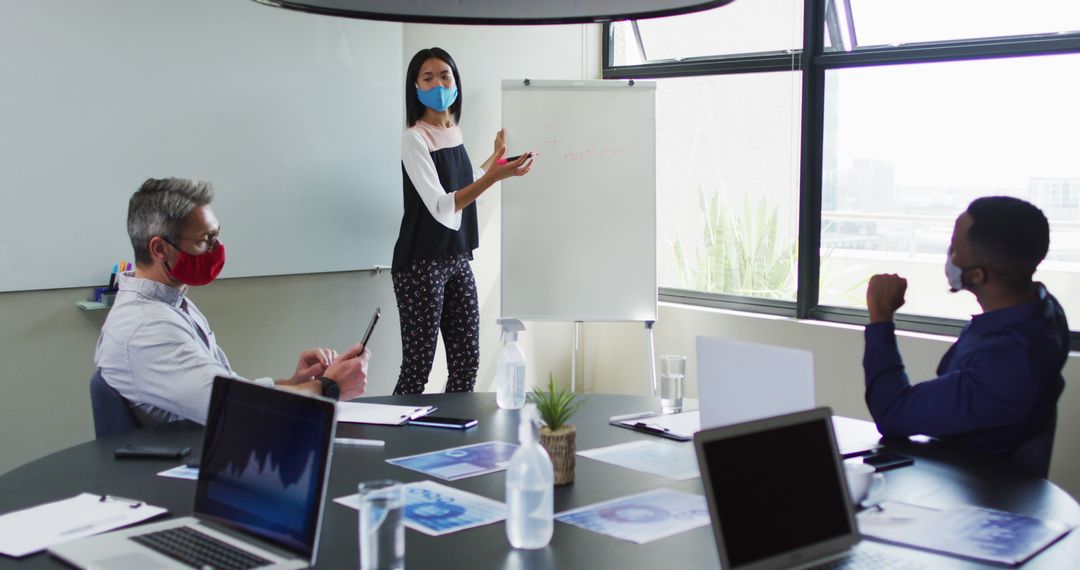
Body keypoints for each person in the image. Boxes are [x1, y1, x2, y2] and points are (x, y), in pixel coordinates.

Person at [95, 177, 369, 426]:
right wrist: (328, 387)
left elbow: (221, 388)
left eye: (216, 235)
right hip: (187, 469)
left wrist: (293, 383)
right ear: (159, 249)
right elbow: (233, 407)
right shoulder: (147, 327)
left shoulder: (168, 303)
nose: (217, 248)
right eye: (206, 239)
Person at [863, 196, 1069, 460]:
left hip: (975, 488)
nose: (949, 256)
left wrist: (881, 317)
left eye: (954, 249)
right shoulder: (1045, 310)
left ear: (977, 275)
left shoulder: (1006, 362)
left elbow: (892, 413)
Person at [391, 47, 532, 395]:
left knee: (467, 362)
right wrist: (496, 177)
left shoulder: (454, 130)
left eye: (445, 76)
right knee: (417, 369)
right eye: (428, 78)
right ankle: (400, 440)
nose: (438, 84)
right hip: (420, 264)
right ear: (415, 87)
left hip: (455, 257)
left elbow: (464, 189)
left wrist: (495, 163)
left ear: (456, 82)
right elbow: (442, 206)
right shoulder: (414, 138)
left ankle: (452, 440)